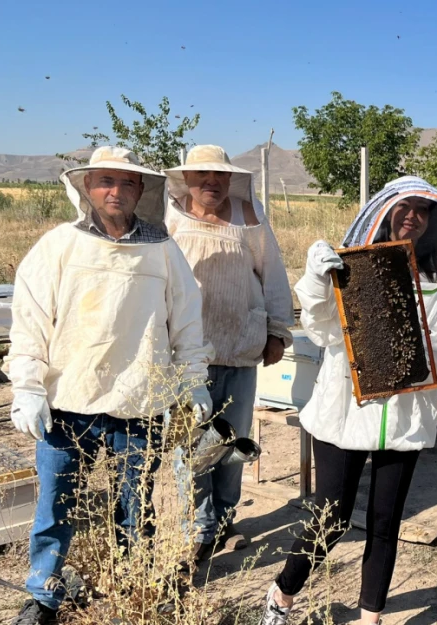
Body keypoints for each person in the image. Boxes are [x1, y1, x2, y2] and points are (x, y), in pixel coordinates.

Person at [6, 146, 213, 625]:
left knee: (134, 507)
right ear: (87, 188)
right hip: (66, 401)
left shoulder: (163, 249)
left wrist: (193, 382)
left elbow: (186, 321)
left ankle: (133, 587)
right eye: (104, 181)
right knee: (54, 508)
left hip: (138, 401)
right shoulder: (59, 245)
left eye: (125, 183)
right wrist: (28, 385)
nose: (115, 191)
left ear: (141, 190)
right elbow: (30, 319)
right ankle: (42, 598)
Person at [258, 176, 437, 625]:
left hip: (405, 418)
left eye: (423, 211)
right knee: (331, 519)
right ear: (385, 211)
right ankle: (282, 594)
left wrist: (416, 355)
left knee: (386, 524)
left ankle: (372, 618)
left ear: (433, 223)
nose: (413, 217)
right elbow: (323, 329)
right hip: (346, 412)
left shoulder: (434, 282)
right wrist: (314, 280)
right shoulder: (352, 267)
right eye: (405, 207)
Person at [164, 145, 294, 560]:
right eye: (202, 175)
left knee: (233, 444)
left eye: (218, 175)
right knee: (193, 446)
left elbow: (272, 276)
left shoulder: (249, 217)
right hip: (185, 356)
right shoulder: (168, 218)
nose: (211, 183)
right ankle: (197, 527)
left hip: (240, 346)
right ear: (186, 179)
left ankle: (223, 521)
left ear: (228, 178)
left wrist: (277, 332)